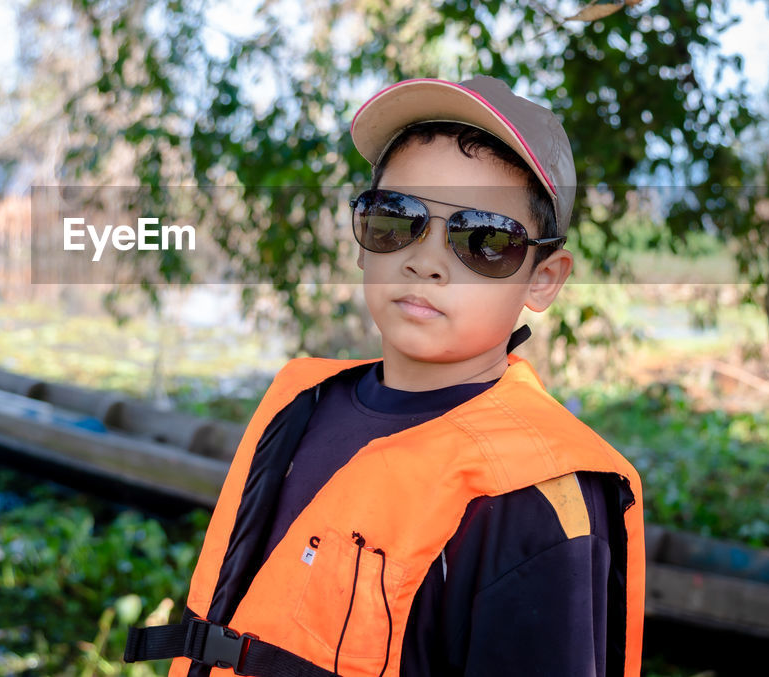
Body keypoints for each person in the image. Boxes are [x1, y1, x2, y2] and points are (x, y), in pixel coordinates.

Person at [124, 76, 646, 677]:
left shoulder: (537, 493)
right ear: (362, 240)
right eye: (398, 219)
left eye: (484, 240)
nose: (425, 261)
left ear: (543, 278)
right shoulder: (304, 403)